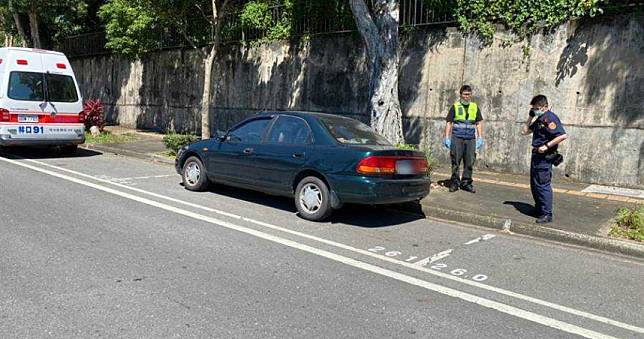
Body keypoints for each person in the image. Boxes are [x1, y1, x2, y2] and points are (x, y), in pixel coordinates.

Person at [522, 95, 569, 224]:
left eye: (537, 108)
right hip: (536, 155)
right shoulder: (539, 119)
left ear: (545, 107)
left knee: (543, 185)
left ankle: (547, 214)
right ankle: (539, 209)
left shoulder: (550, 118)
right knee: (535, 184)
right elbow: (525, 131)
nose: (535, 110)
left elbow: (562, 135)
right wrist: (530, 117)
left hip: (544, 156)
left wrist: (547, 146)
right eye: (533, 108)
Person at [443, 85, 484, 193]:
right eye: (465, 94)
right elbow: (449, 122)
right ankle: (455, 183)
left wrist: (480, 137)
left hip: (470, 138)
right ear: (460, 95)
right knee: (455, 161)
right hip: (457, 137)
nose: (467, 97)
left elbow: (478, 123)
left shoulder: (474, 107)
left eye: (469, 94)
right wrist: (447, 137)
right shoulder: (455, 106)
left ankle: (466, 183)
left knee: (469, 162)